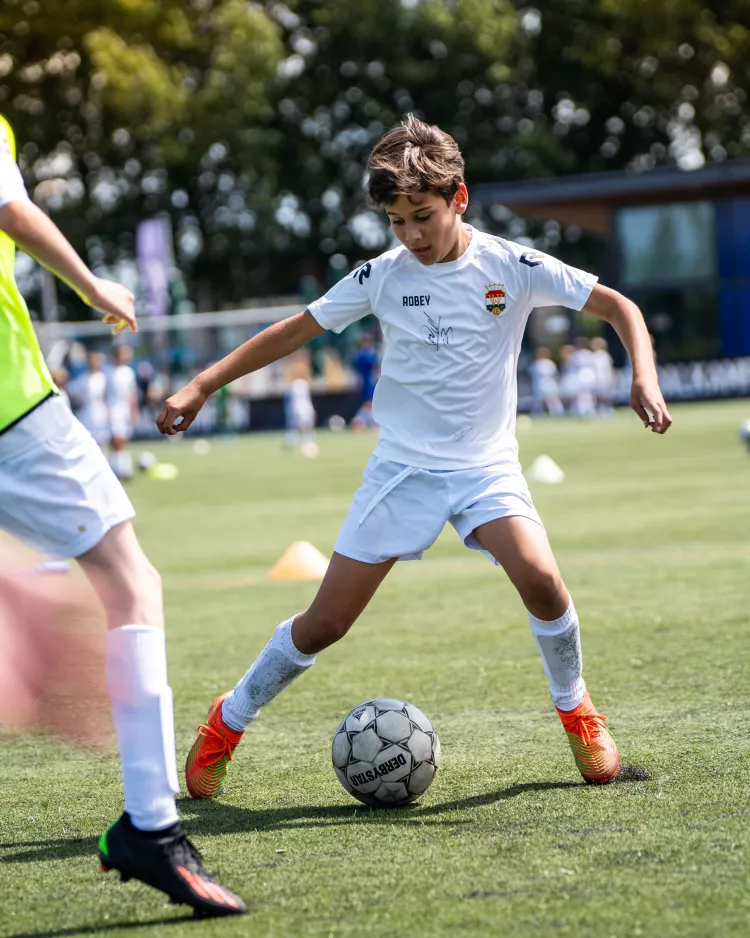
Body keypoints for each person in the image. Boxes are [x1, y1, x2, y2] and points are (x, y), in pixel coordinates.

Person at [157, 115, 672, 801]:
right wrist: (200, 384)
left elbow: (619, 306)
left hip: (486, 467)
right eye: (397, 222)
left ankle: (577, 710)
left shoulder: (512, 266)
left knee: (543, 581)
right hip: (400, 470)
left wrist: (644, 375)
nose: (411, 235)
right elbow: (294, 331)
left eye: (422, 217)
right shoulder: (380, 276)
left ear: (459, 199)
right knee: (326, 623)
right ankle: (230, 719)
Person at [0, 114, 244, 916]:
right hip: (13, 410)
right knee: (129, 583)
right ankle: (152, 824)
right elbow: (8, 207)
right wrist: (92, 282)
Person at [108, 344, 139, 480]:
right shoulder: (107, 371)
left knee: (123, 438)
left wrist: (133, 411)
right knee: (116, 438)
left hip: (124, 408)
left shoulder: (128, 372)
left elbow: (132, 394)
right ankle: (118, 467)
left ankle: (122, 466)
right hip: (112, 408)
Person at [350, 334, 379, 430]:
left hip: (371, 381)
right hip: (365, 382)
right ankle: (361, 421)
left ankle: (361, 421)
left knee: (370, 404)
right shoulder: (361, 355)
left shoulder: (371, 354)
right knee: (367, 404)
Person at [528, 346, 563, 417]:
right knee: (538, 401)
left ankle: (558, 413)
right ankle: (537, 414)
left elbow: (554, 374)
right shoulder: (536, 364)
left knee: (552, 400)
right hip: (539, 384)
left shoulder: (549, 364)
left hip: (548, 383)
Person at [591, 336, 616, 414]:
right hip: (597, 377)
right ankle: (600, 408)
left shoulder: (605, 355)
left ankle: (606, 408)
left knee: (605, 394)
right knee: (598, 395)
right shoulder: (594, 355)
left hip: (604, 377)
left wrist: (611, 376)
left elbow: (609, 367)